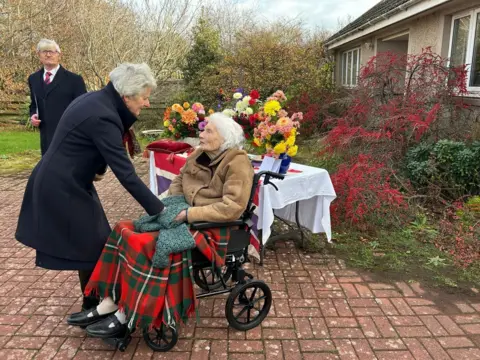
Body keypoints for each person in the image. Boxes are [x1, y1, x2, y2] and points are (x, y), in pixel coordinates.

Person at [67, 113, 254, 338]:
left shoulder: (237, 162)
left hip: (211, 227)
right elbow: (178, 182)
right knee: (122, 229)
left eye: (208, 131)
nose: (201, 134)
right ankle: (109, 301)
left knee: (143, 242)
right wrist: (167, 209)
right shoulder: (199, 154)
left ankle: (127, 315)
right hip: (182, 214)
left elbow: (233, 207)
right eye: (203, 129)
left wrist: (188, 214)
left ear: (224, 138)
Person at [15, 63, 165, 311]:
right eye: (145, 98)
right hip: (61, 185)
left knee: (95, 244)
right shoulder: (103, 115)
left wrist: (95, 169)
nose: (147, 103)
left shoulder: (97, 100)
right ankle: (95, 306)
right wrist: (159, 211)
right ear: (126, 96)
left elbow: (86, 143)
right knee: (94, 245)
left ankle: (93, 303)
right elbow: (127, 175)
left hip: (68, 179)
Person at [28, 39, 87, 155]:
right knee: (48, 168)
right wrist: (33, 115)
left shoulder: (74, 80)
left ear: (59, 55)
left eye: (52, 51)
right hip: (45, 136)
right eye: (44, 51)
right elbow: (34, 104)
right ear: (38, 54)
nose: (48, 54)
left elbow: (83, 108)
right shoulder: (33, 79)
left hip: (69, 135)